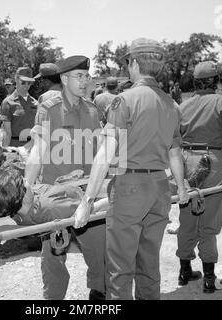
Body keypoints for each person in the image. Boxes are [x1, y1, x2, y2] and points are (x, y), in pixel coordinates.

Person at [73, 38, 190, 300]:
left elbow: (105, 154)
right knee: (149, 265)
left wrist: (87, 200)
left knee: (121, 269)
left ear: (135, 64)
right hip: (160, 188)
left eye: (128, 62)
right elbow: (174, 152)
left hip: (129, 188)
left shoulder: (123, 101)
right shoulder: (171, 104)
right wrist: (181, 188)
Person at [25, 55, 106, 300]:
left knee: (99, 253)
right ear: (63, 79)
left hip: (85, 197)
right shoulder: (49, 109)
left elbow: (101, 151)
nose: (85, 82)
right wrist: (27, 187)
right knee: (53, 258)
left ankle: (99, 294)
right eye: (79, 76)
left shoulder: (92, 110)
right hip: (56, 198)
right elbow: (38, 150)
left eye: (87, 76)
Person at [176, 61, 222, 293]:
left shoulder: (182, 106)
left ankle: (184, 270)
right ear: (216, 81)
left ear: (196, 82)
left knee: (187, 217)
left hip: (186, 162)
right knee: (210, 221)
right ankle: (208, 277)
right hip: (214, 162)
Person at [0, 67, 38, 148]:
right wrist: (4, 151)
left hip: (33, 146)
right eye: (23, 82)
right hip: (16, 148)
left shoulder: (35, 102)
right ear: (16, 79)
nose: (27, 85)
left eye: (29, 83)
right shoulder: (8, 102)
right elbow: (7, 132)